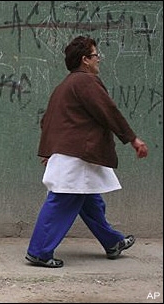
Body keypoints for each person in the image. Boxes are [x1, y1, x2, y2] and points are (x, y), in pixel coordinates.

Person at [25, 36, 148, 268]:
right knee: (62, 200)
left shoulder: (65, 85)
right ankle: (39, 251)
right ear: (85, 60)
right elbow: (108, 111)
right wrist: (131, 138)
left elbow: (48, 120)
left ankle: (113, 242)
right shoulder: (86, 82)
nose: (98, 59)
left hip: (73, 154)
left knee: (90, 201)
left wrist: (49, 150)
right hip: (79, 154)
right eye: (95, 55)